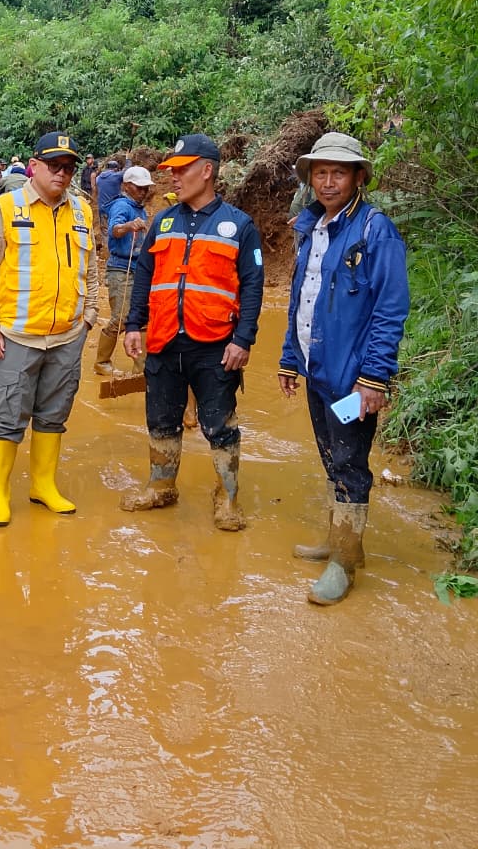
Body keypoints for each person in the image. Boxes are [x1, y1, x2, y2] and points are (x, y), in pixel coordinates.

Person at [278, 132, 409, 606]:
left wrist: (373, 378)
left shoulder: (376, 230)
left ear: (357, 178)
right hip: (318, 371)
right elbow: (303, 298)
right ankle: (342, 542)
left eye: (338, 173)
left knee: (350, 463)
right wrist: (289, 357)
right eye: (320, 173)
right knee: (332, 457)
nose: (328, 182)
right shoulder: (312, 228)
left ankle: (344, 564)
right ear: (310, 179)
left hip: (353, 379)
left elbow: (390, 308)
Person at [123, 134, 264, 529]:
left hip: (215, 345)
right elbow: (145, 275)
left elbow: (253, 286)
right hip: (164, 339)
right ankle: (161, 486)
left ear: (206, 171)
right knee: (161, 419)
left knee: (220, 424)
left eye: (181, 170)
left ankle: (227, 496)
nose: (173, 177)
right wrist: (134, 324)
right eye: (171, 170)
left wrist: (243, 340)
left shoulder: (239, 225)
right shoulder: (163, 221)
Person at [0, 132, 99, 527]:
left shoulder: (82, 211)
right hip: (16, 336)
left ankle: (44, 485)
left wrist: (89, 316)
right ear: (34, 166)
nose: (62, 173)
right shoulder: (6, 208)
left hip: (67, 337)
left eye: (69, 167)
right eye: (54, 165)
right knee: (7, 416)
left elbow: (91, 270)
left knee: (54, 414)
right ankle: (0, 492)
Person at [94, 165, 153, 375]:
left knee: (140, 317)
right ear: (127, 186)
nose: (144, 191)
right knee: (121, 317)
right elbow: (115, 230)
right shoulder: (122, 206)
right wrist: (129, 226)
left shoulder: (139, 208)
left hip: (138, 268)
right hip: (121, 269)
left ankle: (141, 367)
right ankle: (102, 362)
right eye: (139, 187)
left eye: (146, 188)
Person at [95, 158, 123, 232]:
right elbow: (126, 171)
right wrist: (128, 159)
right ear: (116, 169)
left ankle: (106, 239)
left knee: (105, 230)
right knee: (116, 229)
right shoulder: (116, 176)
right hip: (114, 209)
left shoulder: (98, 178)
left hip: (102, 208)